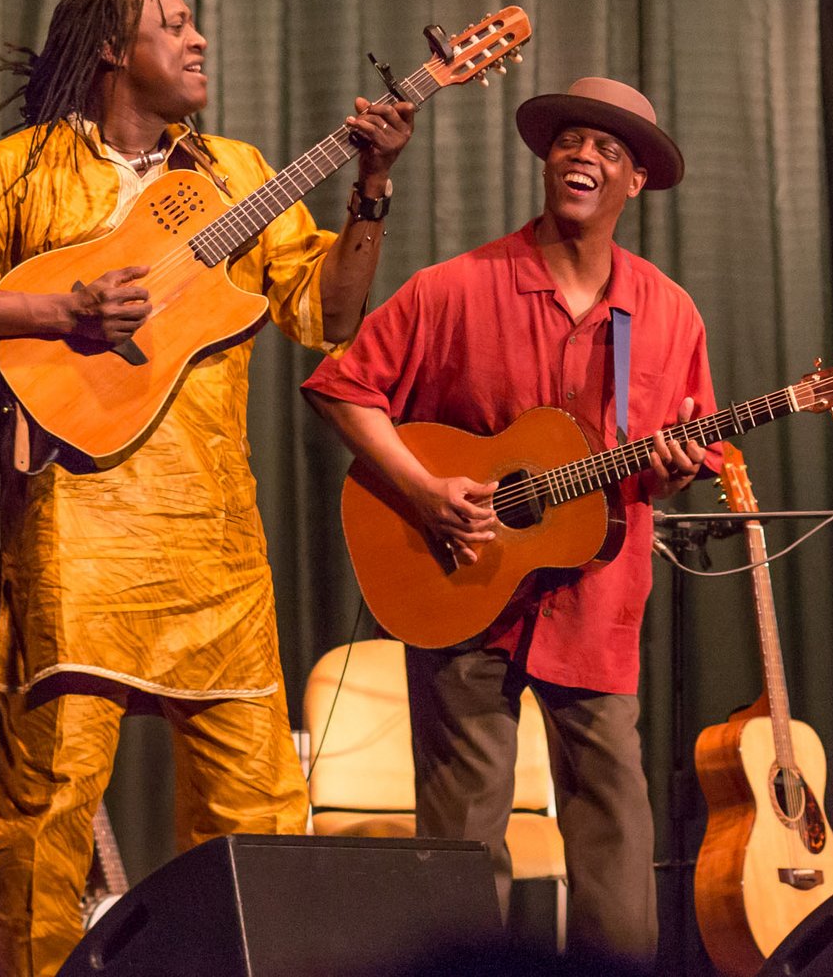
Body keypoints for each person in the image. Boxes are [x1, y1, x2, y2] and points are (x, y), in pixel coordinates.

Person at [0, 0, 414, 977]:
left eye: (197, 22)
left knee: (257, 813)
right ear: (114, 49)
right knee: (50, 808)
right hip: (74, 532)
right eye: (175, 23)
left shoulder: (243, 175)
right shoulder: (19, 174)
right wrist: (56, 311)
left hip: (213, 538)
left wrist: (371, 187)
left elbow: (329, 317)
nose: (199, 39)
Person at [303, 77, 717, 965]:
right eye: (571, 140)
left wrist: (677, 468)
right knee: (462, 854)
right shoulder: (456, 287)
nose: (585, 156)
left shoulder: (669, 312)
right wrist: (422, 492)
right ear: (545, 159)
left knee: (615, 853)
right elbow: (341, 387)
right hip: (461, 590)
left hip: (599, 607)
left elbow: (676, 457)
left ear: (635, 181)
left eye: (609, 149)